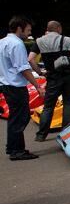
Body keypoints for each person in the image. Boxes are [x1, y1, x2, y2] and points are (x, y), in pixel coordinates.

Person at [0, 16, 45, 160]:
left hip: (6, 85)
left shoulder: (2, 42)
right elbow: (23, 69)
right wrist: (37, 86)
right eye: (28, 30)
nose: (29, 34)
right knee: (21, 118)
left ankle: (13, 147)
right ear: (19, 28)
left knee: (15, 117)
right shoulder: (17, 44)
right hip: (16, 86)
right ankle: (17, 150)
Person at [29, 20, 70, 141]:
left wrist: (40, 73)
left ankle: (41, 135)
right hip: (68, 77)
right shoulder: (67, 40)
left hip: (52, 78)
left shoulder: (39, 41)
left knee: (48, 107)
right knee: (67, 104)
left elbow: (30, 59)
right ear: (58, 28)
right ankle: (66, 133)